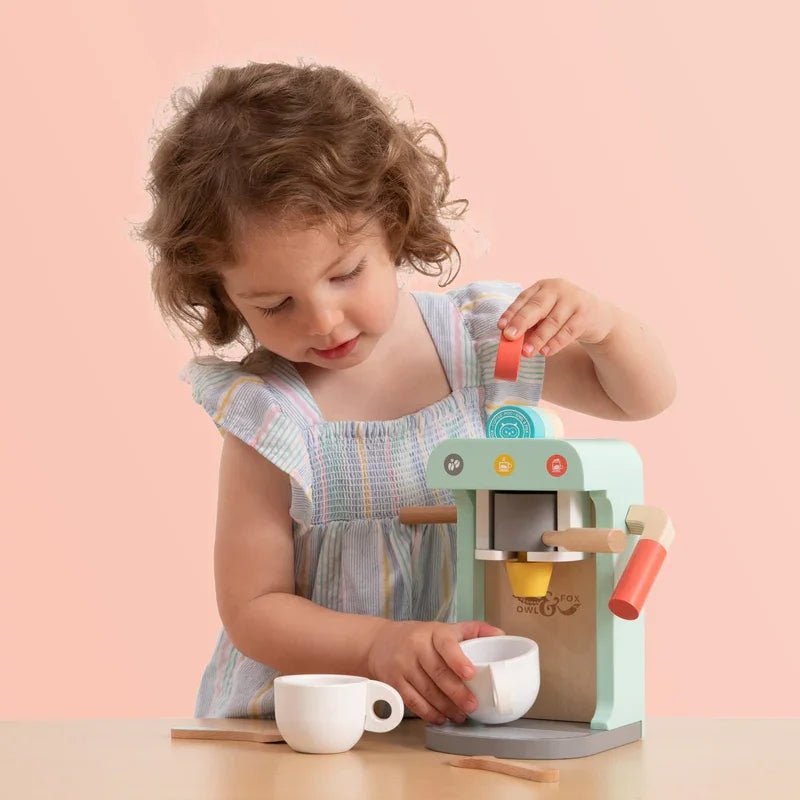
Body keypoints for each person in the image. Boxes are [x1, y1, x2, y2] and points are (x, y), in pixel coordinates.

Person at [136, 61, 676, 725]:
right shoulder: (270, 413)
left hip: (469, 707)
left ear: (392, 223)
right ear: (222, 296)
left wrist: (605, 327)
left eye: (344, 275)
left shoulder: (484, 345)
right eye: (275, 305)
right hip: (310, 721)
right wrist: (376, 645)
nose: (323, 321)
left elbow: (639, 399)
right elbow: (253, 608)